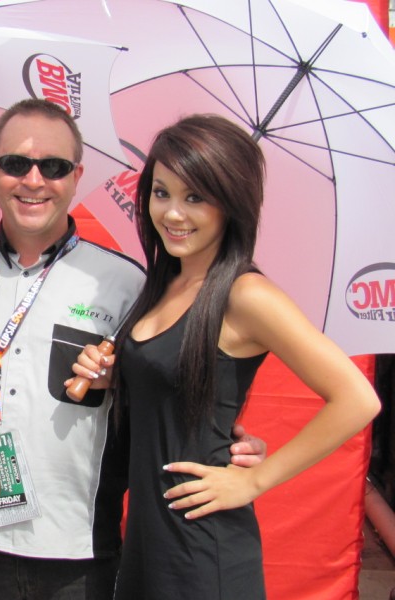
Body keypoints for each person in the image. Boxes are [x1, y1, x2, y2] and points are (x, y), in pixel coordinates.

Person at [0, 100, 266, 600]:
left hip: (80, 551)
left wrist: (227, 440)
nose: (34, 180)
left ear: (77, 176)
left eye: (54, 167)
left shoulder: (128, 284)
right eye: (16, 163)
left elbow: (172, 383)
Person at [71, 114, 381, 598]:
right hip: (147, 543)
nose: (173, 213)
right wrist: (115, 375)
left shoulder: (246, 295)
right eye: (161, 192)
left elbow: (358, 399)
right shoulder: (164, 283)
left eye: (196, 197)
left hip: (202, 551)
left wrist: (255, 481)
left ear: (231, 203)